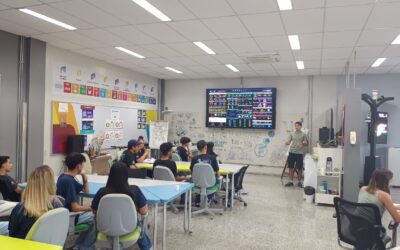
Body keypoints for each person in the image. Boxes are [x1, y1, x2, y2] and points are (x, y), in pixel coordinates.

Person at [91, 162, 152, 250]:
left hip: (105, 229)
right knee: (141, 221)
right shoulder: (134, 190)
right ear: (126, 175)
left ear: (110, 175)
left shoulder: (102, 192)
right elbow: (144, 211)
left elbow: (94, 210)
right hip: (130, 227)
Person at [8, 165, 64, 238]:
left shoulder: (20, 209)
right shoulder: (60, 203)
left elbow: (12, 235)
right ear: (51, 183)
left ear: (30, 184)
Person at [56, 153, 96, 250]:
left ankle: (79, 246)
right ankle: (84, 247)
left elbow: (86, 190)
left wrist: (84, 178)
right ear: (78, 166)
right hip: (70, 217)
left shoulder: (63, 177)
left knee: (92, 213)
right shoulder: (70, 181)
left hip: (61, 214)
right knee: (96, 217)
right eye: (82, 164)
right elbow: (75, 208)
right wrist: (92, 208)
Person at [358, 168, 400, 243]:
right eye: (390, 181)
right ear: (385, 181)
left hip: (355, 228)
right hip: (372, 232)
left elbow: (389, 205)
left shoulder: (363, 189)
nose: (391, 183)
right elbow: (397, 219)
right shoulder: (384, 195)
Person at [190, 140, 220, 206]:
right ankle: (209, 200)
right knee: (218, 179)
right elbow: (218, 174)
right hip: (211, 184)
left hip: (197, 184)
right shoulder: (213, 158)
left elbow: (192, 173)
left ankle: (197, 201)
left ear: (197, 148)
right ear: (206, 147)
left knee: (198, 180)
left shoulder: (194, 159)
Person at [285, 122, 308, 188]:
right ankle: (290, 181)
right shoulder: (292, 134)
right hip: (291, 152)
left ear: (301, 126)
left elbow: (306, 143)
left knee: (300, 168)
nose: (296, 127)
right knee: (290, 167)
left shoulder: (303, 134)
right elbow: (289, 141)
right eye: (295, 126)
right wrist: (287, 142)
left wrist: (304, 143)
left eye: (297, 126)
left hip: (299, 153)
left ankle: (299, 182)